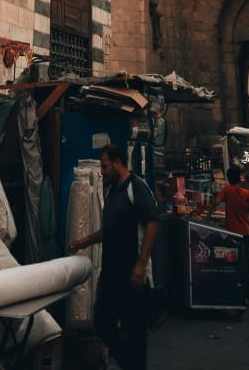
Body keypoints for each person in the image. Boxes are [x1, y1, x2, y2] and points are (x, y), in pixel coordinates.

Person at [69, 144, 158, 369]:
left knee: (135, 334)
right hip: (112, 275)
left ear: (118, 163)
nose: (102, 171)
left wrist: (141, 265)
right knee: (102, 321)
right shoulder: (112, 190)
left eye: (105, 166)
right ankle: (131, 363)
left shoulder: (136, 187)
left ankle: (133, 364)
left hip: (132, 276)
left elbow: (151, 225)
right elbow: (109, 230)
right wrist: (83, 242)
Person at [218, 165, 249, 297]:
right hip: (245, 232)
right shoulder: (246, 193)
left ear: (229, 179)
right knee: (245, 262)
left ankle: (233, 289)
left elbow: (216, 202)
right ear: (239, 178)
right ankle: (246, 292)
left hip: (231, 233)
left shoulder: (226, 190)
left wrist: (206, 217)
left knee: (231, 261)